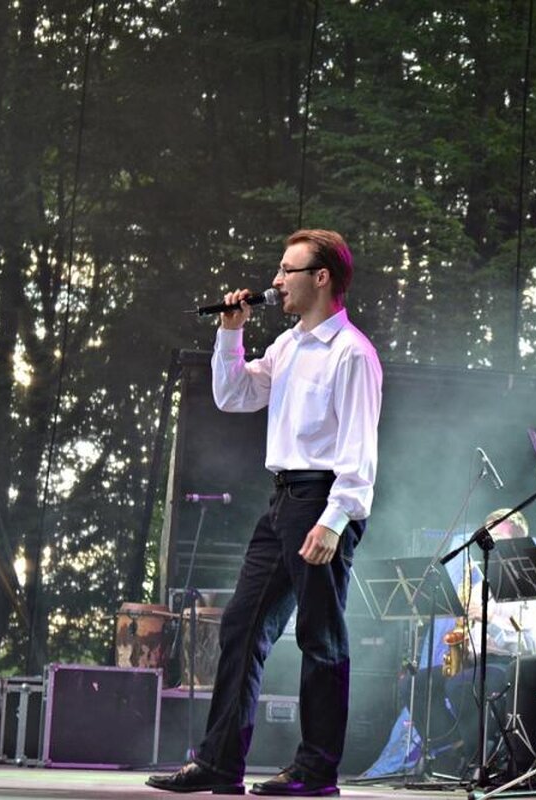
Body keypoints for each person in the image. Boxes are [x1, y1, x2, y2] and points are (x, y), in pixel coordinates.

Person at [148, 230, 383, 797]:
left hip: (322, 499)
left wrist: (335, 520)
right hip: (281, 500)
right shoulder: (287, 345)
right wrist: (231, 334)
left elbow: (359, 450)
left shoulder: (352, 353)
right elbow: (234, 396)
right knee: (242, 626)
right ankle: (220, 763)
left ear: (320, 277)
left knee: (320, 637)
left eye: (286, 270)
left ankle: (317, 771)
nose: (275, 281)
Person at [443, 509, 536, 775]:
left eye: (498, 537)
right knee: (421, 683)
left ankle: (482, 755)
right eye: (487, 536)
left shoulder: (530, 586)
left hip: (512, 662)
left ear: (517, 542)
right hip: (480, 660)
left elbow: (526, 644)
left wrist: (488, 620)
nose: (489, 543)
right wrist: (465, 642)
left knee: (463, 685)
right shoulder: (482, 585)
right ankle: (457, 748)